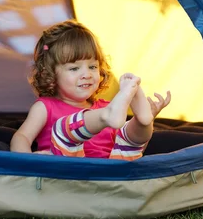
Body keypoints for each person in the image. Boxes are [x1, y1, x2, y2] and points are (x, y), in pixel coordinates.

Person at [10, 20, 171, 160]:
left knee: (126, 142)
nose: (86, 74)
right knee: (64, 130)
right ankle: (134, 121)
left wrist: (145, 123)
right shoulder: (45, 107)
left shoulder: (107, 107)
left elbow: (132, 151)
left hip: (108, 173)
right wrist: (28, 160)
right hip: (65, 169)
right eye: (74, 69)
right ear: (50, 74)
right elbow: (21, 137)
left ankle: (142, 121)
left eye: (93, 67)